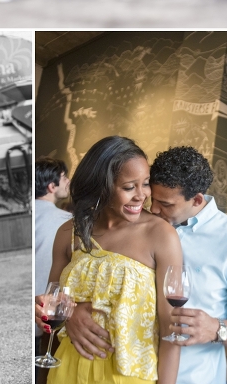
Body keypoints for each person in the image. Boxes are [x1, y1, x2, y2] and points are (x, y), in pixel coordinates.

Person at [35, 135, 183, 384]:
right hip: (66, 368)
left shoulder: (160, 235)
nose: (141, 196)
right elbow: (51, 303)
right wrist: (61, 314)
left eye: (145, 184)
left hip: (128, 375)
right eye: (129, 187)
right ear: (101, 186)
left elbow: (171, 329)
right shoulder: (68, 232)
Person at [149, 147, 227, 383]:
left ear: (197, 199)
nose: (153, 209)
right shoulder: (145, 224)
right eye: (151, 199)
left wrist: (215, 329)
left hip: (193, 376)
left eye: (165, 204)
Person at [34, 158, 72, 372]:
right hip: (46, 314)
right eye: (64, 178)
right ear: (52, 186)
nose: (68, 182)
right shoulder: (67, 222)